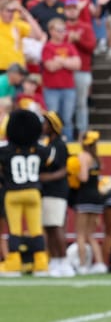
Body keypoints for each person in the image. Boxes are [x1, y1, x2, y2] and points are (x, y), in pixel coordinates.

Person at [0, 109, 56, 276]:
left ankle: (14, 262)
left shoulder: (5, 150)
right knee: (36, 229)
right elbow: (50, 159)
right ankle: (41, 261)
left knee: (15, 230)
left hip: (13, 192)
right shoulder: (39, 149)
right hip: (33, 191)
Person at [38, 111, 72, 277]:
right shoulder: (48, 144)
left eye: (46, 123)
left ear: (53, 126)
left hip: (56, 190)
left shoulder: (59, 145)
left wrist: (46, 177)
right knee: (48, 227)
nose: (43, 126)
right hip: (47, 191)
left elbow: (63, 170)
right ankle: (55, 260)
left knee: (56, 226)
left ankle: (64, 261)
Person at [72, 130, 107, 275]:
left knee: (80, 234)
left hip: (84, 197)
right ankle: (99, 263)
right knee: (90, 235)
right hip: (96, 197)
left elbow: (84, 178)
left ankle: (82, 265)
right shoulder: (96, 158)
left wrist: (73, 172)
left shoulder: (83, 156)